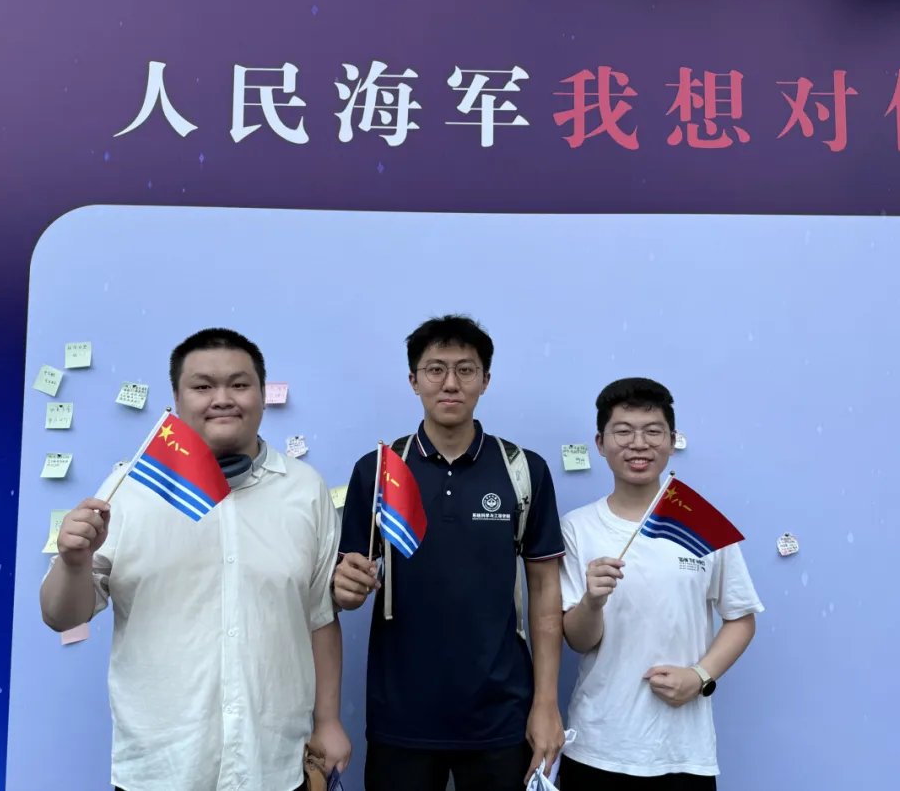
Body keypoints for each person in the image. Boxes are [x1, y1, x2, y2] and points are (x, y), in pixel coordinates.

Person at [39, 328, 350, 791]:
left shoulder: (304, 489)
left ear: (262, 395)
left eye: (239, 384)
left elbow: (319, 617)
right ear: (177, 399)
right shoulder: (129, 489)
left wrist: (328, 721)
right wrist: (73, 562)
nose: (222, 398)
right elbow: (60, 616)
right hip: (159, 767)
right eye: (203, 386)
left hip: (273, 763)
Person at [332, 314, 566, 791]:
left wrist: (546, 703)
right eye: (435, 369)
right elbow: (346, 589)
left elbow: (545, 592)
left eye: (465, 369)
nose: (451, 383)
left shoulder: (523, 470)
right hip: (401, 715)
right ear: (414, 380)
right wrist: (346, 588)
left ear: (485, 380)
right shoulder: (378, 471)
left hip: (502, 714)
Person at [557, 378, 764, 790]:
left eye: (653, 431)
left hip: (683, 751)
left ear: (671, 441)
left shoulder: (702, 524)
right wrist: (592, 602)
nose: (639, 444)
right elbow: (578, 641)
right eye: (623, 431)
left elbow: (741, 619)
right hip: (598, 745)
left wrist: (700, 676)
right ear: (600, 443)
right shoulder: (577, 527)